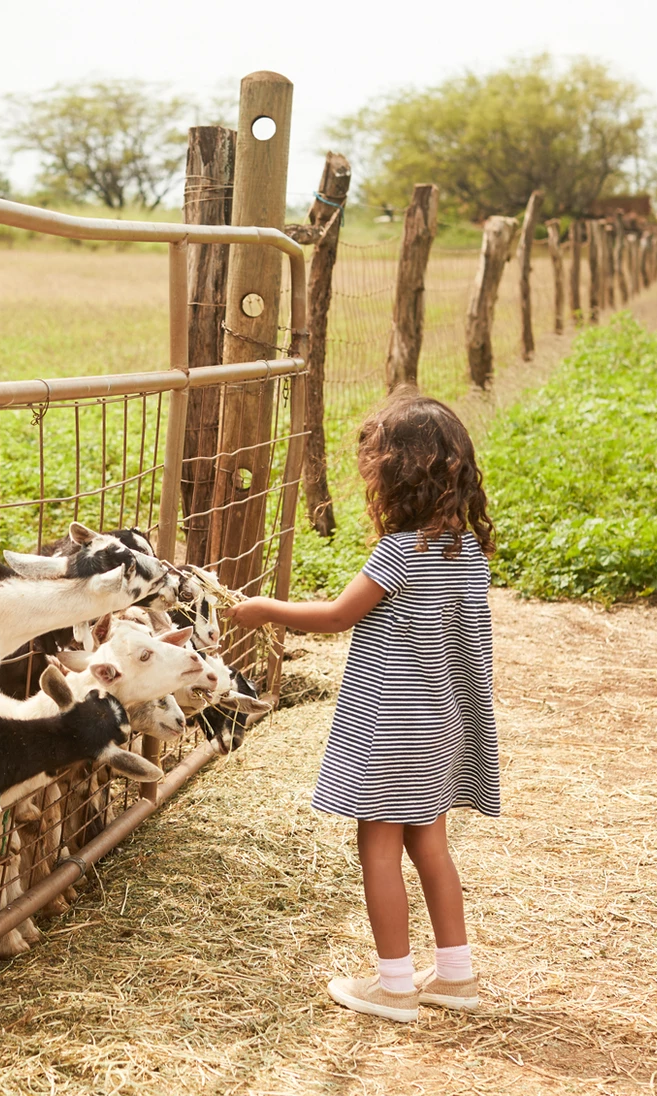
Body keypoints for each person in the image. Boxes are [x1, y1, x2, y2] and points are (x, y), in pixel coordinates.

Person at [228, 393, 500, 1022]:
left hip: (389, 726)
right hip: (442, 726)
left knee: (376, 842)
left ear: (395, 475)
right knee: (430, 842)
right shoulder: (464, 551)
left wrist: (263, 608)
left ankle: (394, 983)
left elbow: (337, 615)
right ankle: (455, 975)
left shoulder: (398, 551)